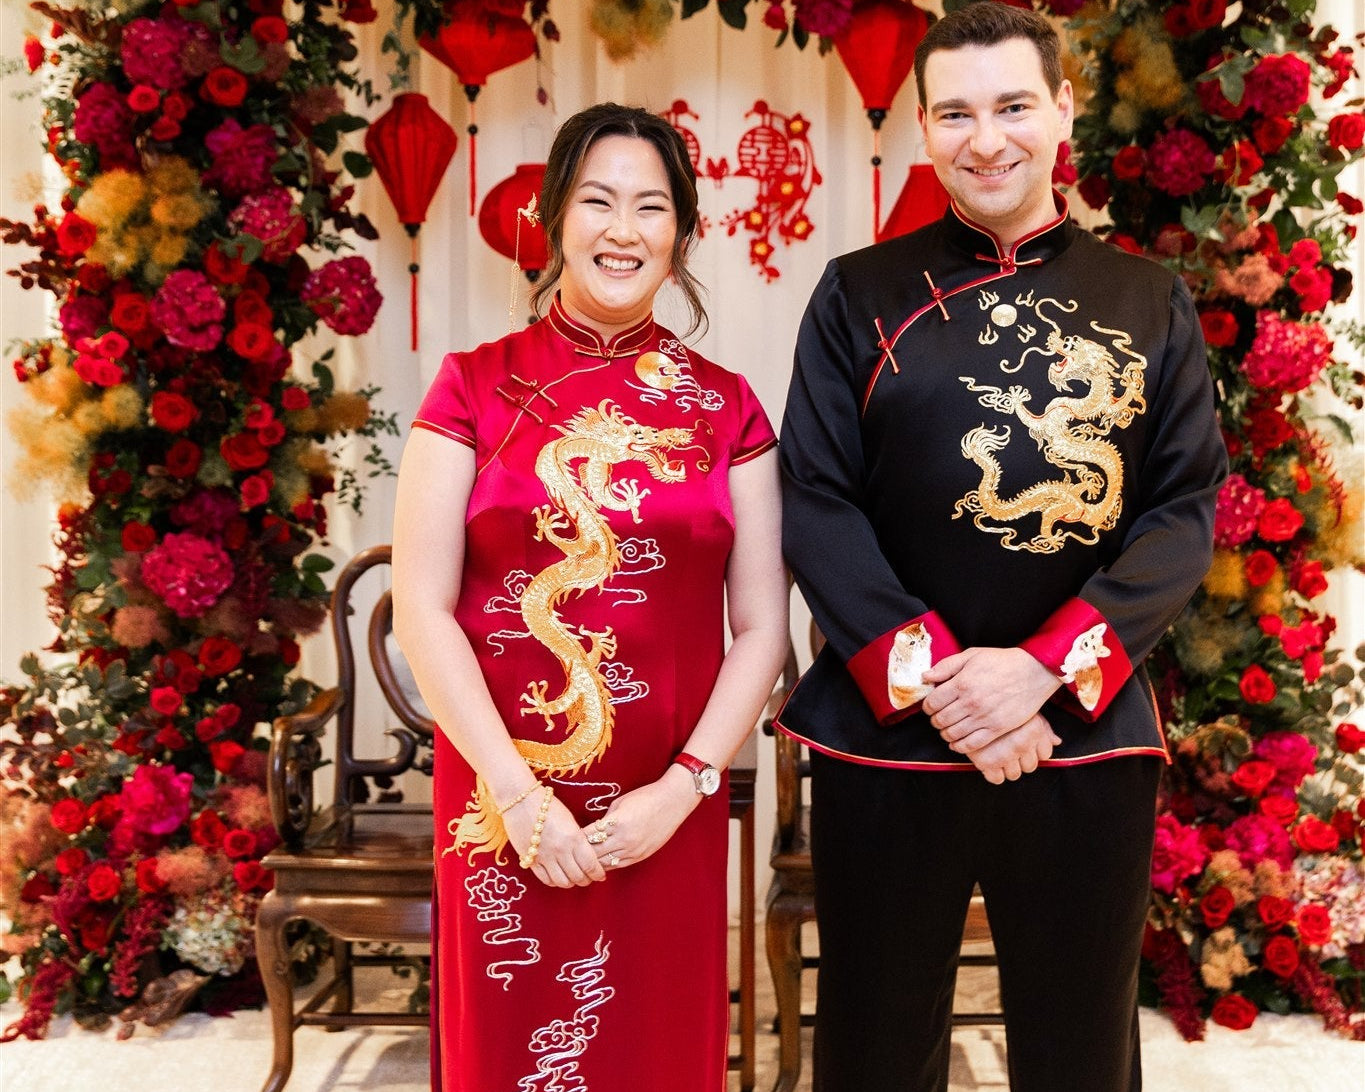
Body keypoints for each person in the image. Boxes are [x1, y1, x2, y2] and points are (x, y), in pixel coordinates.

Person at [775, 5, 1228, 1091]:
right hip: (885, 736)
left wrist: (1039, 673)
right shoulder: (857, 294)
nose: (988, 139)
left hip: (1081, 732)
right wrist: (939, 683)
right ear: (922, 127)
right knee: (874, 1044)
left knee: (1078, 1049)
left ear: (1062, 108)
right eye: (958, 113)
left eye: (1014, 105)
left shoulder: (1148, 302)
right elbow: (816, 497)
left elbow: (1181, 509)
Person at [391, 102, 788, 1091]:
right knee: (508, 1047)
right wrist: (518, 796)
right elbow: (420, 608)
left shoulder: (728, 406)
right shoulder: (473, 388)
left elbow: (764, 628)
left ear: (681, 233)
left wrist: (687, 785)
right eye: (598, 201)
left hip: (664, 803)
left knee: (653, 1042)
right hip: (501, 796)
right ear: (554, 217)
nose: (624, 230)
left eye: (651, 207)